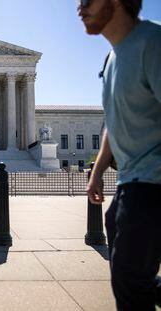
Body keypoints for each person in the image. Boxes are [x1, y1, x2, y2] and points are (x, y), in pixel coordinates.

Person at [79, 0, 161, 309]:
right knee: (130, 278)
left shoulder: (152, 43)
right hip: (129, 184)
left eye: (87, 1)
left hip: (152, 182)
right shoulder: (112, 58)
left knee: (130, 282)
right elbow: (112, 124)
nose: (79, 7)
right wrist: (98, 171)